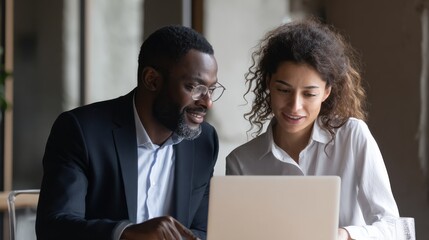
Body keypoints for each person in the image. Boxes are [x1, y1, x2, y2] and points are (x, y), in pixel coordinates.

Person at [36, 25, 224, 240]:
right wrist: (126, 233)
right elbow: (53, 227)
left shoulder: (204, 141)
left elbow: (204, 230)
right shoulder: (81, 131)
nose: (207, 102)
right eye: (195, 87)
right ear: (152, 79)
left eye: (211, 89)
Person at [226, 19, 400, 240]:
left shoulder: (352, 136)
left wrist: (344, 235)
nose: (295, 106)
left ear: (327, 92)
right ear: (269, 83)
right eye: (283, 90)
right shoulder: (240, 162)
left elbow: (393, 228)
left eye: (309, 94)